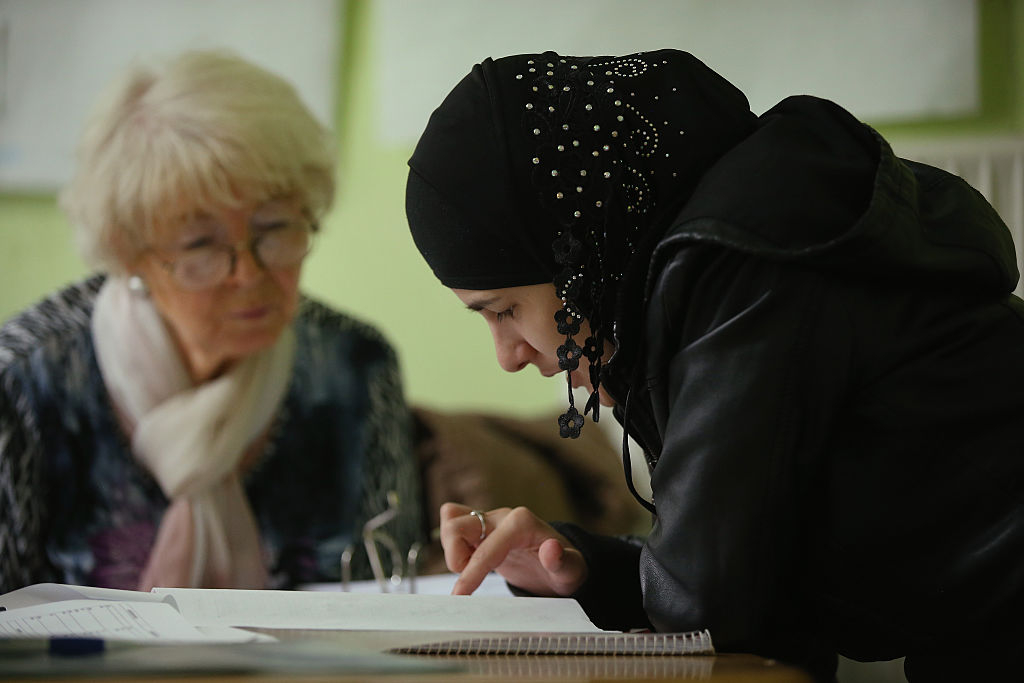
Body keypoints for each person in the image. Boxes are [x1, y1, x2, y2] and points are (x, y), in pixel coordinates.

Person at [404, 49, 1024, 681]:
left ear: (577, 256)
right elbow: (745, 568)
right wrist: (582, 562)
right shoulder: (723, 251)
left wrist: (639, 576)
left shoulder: (740, 264)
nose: (507, 356)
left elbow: (712, 609)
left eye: (504, 309)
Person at [0, 50, 422, 594]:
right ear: (130, 254)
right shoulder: (25, 379)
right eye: (200, 244)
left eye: (274, 228)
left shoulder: (355, 365)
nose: (248, 273)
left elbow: (394, 594)